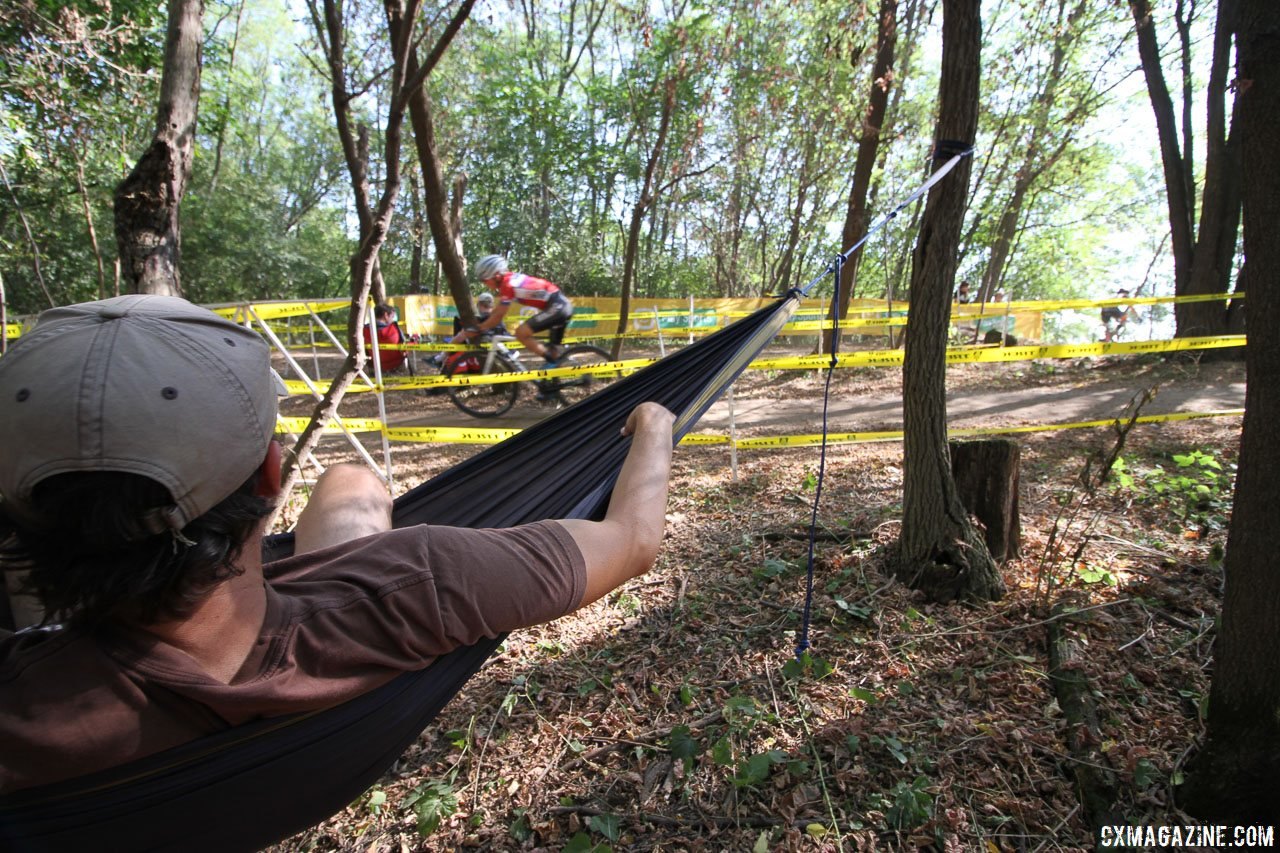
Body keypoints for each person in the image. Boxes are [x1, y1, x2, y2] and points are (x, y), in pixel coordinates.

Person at [0, 295, 675, 794]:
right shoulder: (419, 582)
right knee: (354, 483)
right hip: (336, 638)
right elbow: (631, 539)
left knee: (353, 479)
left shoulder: (27, 713)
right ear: (271, 473)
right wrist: (654, 420)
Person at [466, 254, 573, 364]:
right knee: (553, 352)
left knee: (521, 333)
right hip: (560, 305)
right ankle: (554, 369)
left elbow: (498, 317)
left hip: (558, 307)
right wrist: (484, 323)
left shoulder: (508, 285)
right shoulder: (509, 280)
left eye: (485, 280)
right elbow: (497, 310)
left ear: (496, 275)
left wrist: (479, 329)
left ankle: (552, 361)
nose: (484, 284)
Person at [362, 302, 407, 374]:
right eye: (392, 317)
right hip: (396, 364)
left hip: (374, 365)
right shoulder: (393, 329)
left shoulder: (364, 330)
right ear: (386, 315)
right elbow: (404, 348)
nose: (393, 319)